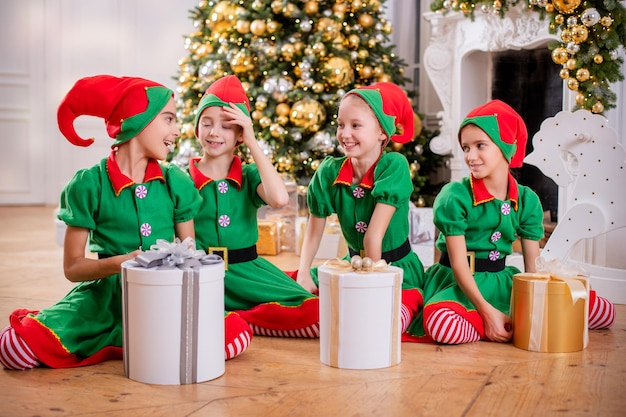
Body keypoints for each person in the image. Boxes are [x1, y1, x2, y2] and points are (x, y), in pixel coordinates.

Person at [0, 75, 251, 370]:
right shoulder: (89, 184)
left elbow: (190, 257)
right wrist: (126, 262)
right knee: (14, 347)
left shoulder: (176, 181)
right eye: (168, 119)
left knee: (237, 333)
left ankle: (138, 340)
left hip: (164, 294)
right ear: (136, 120)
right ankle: (135, 339)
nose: (177, 130)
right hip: (105, 296)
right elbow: (73, 268)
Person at [404, 99, 615, 345]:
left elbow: (533, 267)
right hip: (459, 284)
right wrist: (486, 311)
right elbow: (460, 266)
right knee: (443, 328)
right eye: (466, 148)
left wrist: (546, 300)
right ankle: (489, 321)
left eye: (480, 145)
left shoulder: (526, 200)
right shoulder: (455, 196)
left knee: (603, 311)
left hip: (503, 280)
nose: (470, 156)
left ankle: (497, 321)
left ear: (507, 146)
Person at [189, 75, 320, 338]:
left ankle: (245, 319)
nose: (214, 132)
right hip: (202, 275)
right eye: (207, 123)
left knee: (313, 308)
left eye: (227, 126)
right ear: (197, 128)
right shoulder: (182, 179)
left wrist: (253, 142)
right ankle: (242, 321)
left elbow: (279, 199)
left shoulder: (248, 175)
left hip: (248, 273)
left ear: (240, 134)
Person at [295, 82, 424, 337]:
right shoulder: (330, 171)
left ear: (381, 133)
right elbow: (313, 233)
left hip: (390, 269)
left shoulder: (393, 166)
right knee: (290, 294)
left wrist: (371, 291)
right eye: (341, 124)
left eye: (356, 125)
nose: (345, 133)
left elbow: (372, 237)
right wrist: (302, 274)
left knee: (378, 322)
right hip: (351, 265)